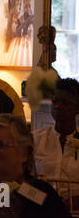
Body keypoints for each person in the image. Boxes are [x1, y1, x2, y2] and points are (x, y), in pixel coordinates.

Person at [33, 78, 79, 209]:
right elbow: (25, 182)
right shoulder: (36, 139)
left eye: (65, 102)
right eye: (55, 101)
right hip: (42, 209)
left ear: (77, 108)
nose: (58, 106)